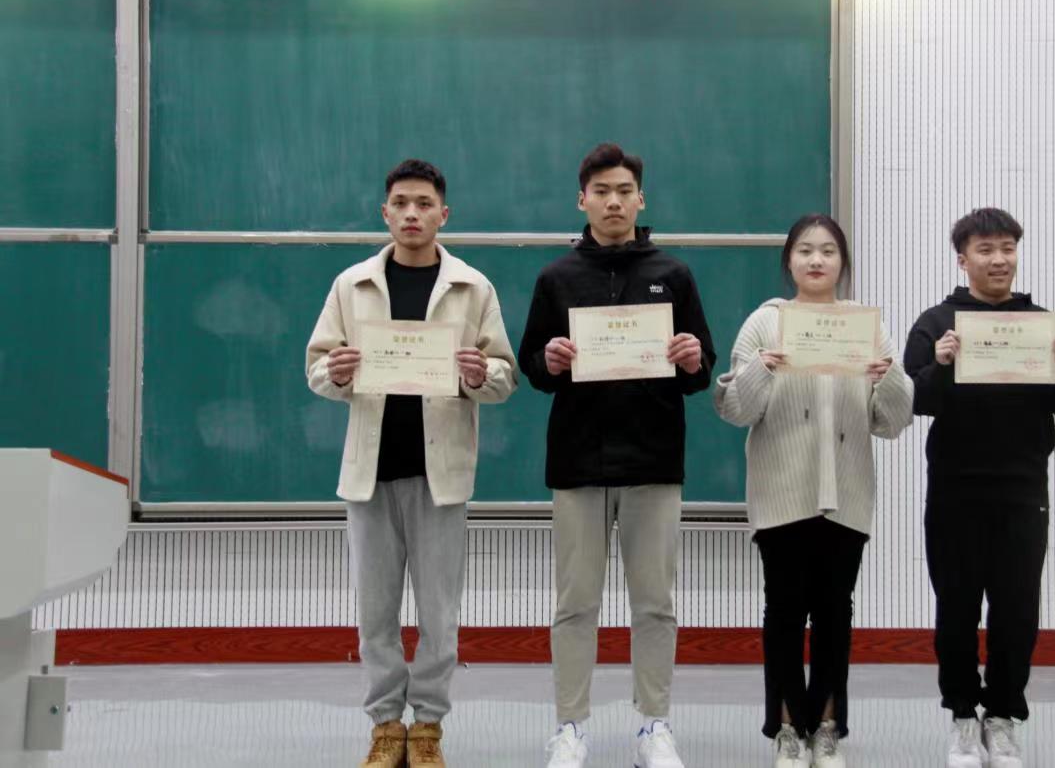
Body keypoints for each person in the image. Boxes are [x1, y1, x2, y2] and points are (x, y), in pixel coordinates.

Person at [305, 158, 517, 767]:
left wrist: (479, 375)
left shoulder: (473, 287)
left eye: (424, 204)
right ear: (385, 212)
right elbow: (317, 366)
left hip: (440, 476)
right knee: (375, 613)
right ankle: (383, 726)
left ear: (443, 214)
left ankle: (427, 726)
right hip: (369, 474)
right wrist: (335, 372)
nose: (412, 214)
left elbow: (504, 376)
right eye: (401, 203)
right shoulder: (352, 285)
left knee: (438, 614)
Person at [517, 143, 716, 768]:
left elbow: (701, 368)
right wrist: (548, 361)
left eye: (624, 190)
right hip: (577, 462)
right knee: (575, 603)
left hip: (654, 460)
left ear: (641, 199)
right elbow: (531, 366)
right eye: (601, 191)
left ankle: (654, 725)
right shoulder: (556, 278)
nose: (613, 201)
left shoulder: (673, 275)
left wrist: (692, 358)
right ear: (582, 200)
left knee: (655, 602)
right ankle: (570, 726)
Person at [713, 213, 913, 768]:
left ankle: (826, 726)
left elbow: (893, 421)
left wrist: (888, 377)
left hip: (846, 493)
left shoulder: (864, 326)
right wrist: (760, 369)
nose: (817, 259)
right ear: (789, 261)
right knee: (783, 612)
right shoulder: (765, 323)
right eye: (805, 250)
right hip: (781, 492)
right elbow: (734, 409)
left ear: (842, 262)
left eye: (828, 250)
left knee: (834, 614)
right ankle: (785, 727)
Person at [902, 208, 1055, 768]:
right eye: (985, 249)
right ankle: (964, 717)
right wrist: (940, 364)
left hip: (1022, 490)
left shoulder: (1043, 322)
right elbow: (913, 399)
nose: (999, 259)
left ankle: (1003, 717)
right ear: (962, 259)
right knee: (956, 609)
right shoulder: (937, 322)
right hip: (954, 490)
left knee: (1017, 610)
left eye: (1007, 248)